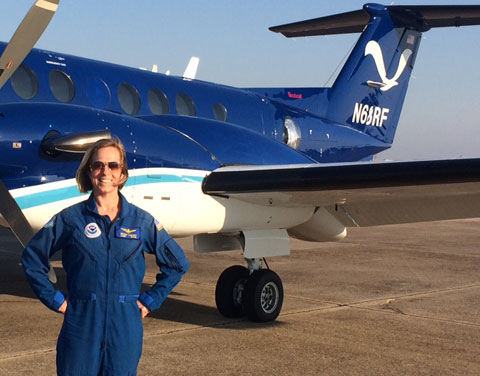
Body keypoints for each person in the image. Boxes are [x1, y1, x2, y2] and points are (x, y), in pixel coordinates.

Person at [22, 138, 189, 375]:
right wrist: (56, 301)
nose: (105, 171)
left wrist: (150, 300)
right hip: (80, 325)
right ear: (89, 172)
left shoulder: (141, 221)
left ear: (122, 174)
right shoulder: (70, 219)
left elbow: (177, 264)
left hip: (125, 327)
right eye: (98, 165)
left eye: (113, 165)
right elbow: (32, 258)